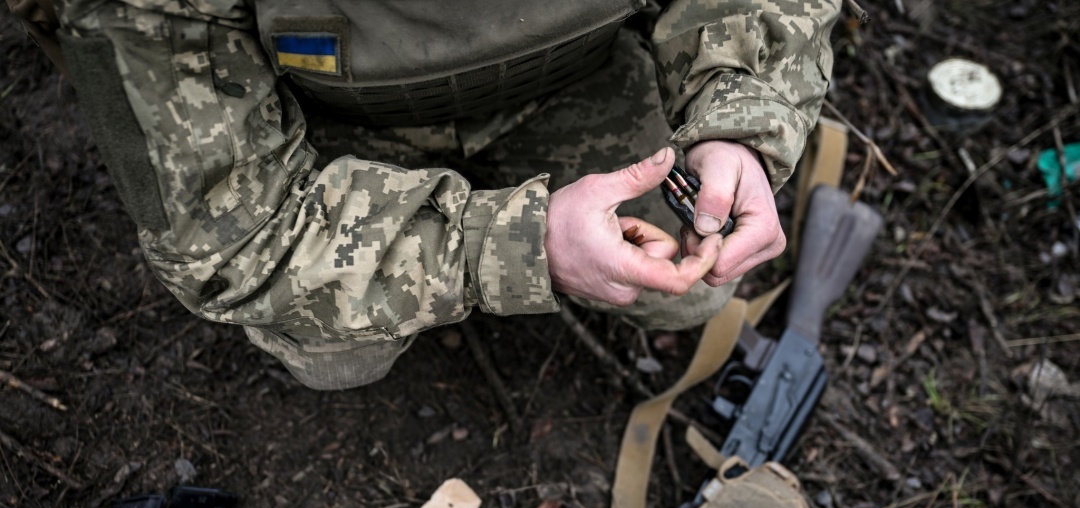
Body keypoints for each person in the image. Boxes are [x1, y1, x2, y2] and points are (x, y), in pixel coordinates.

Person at [10, 0, 842, 390]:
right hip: (324, 125)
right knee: (337, 352)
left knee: (691, 278)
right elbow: (231, 234)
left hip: (572, 78)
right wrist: (518, 245)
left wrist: (739, 117)